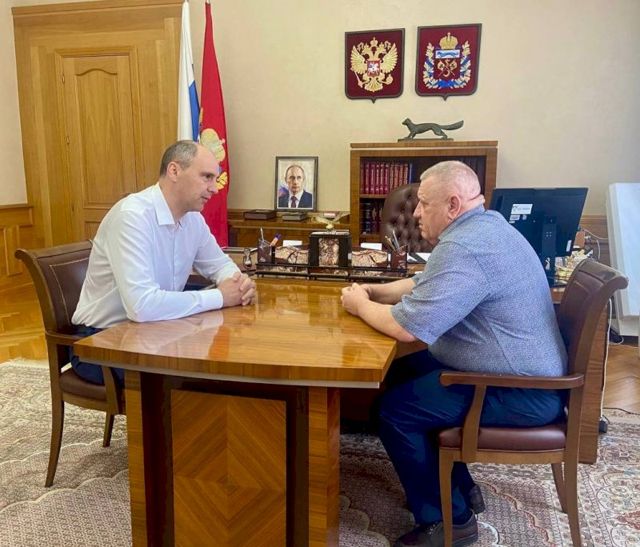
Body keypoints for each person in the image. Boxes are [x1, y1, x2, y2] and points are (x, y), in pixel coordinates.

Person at [341, 161, 567, 547]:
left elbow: (406, 328)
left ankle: (449, 521)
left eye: (423, 203)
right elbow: (426, 280)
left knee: (395, 412)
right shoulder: (486, 227)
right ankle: (460, 487)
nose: (415, 212)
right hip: (520, 377)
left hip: (521, 391)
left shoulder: (466, 246)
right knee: (401, 371)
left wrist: (359, 305)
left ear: (452, 205)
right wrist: (376, 291)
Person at [71, 140, 256, 386]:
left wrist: (238, 285)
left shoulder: (193, 219)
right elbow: (142, 306)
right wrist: (221, 297)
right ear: (174, 171)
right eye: (206, 177)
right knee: (203, 379)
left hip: (158, 331)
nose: (214, 188)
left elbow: (220, 265)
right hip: (102, 342)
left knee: (228, 368)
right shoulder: (132, 217)